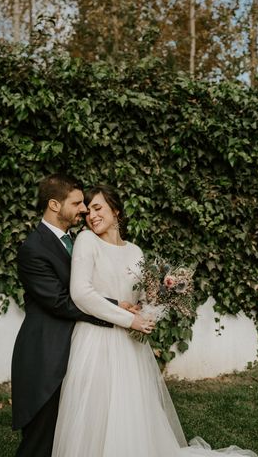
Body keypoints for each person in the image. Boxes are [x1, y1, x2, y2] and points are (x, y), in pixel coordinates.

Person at [52, 183, 257, 457]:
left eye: (98, 208)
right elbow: (81, 294)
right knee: (96, 409)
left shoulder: (135, 252)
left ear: (116, 210)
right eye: (88, 211)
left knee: (130, 410)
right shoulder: (87, 241)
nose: (92, 216)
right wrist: (129, 320)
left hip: (129, 346)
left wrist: (150, 307)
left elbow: (140, 297)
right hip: (95, 340)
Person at [11, 174, 154, 457]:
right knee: (40, 441)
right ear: (54, 204)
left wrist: (122, 304)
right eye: (78, 203)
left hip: (78, 350)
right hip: (46, 353)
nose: (85, 210)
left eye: (89, 205)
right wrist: (119, 314)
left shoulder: (76, 241)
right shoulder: (33, 249)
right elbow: (62, 301)